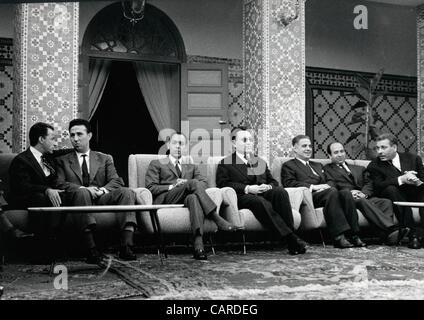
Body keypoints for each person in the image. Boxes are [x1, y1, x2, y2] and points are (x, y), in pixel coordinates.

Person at [55, 119, 138, 263]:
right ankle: (91, 249)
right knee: (82, 193)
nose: (75, 139)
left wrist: (102, 191)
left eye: (79, 134)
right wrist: (83, 189)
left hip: (100, 198)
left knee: (127, 192)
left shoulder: (104, 158)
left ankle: (126, 246)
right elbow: (59, 183)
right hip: (78, 199)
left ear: (90, 135)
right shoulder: (61, 160)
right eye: (72, 135)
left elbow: (116, 180)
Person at [216, 127, 307, 255]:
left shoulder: (259, 161)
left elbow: (273, 182)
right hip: (242, 196)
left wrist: (268, 186)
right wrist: (248, 188)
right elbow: (223, 184)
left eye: (250, 140)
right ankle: (291, 238)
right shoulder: (226, 162)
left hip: (263, 192)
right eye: (244, 140)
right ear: (234, 143)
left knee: (280, 192)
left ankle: (290, 236)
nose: (248, 142)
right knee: (259, 201)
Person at [145, 131, 236, 260]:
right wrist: (173, 186)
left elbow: (204, 183)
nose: (178, 146)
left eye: (181, 143)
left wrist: (186, 184)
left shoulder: (191, 166)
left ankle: (198, 246)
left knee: (193, 197)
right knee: (192, 183)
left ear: (185, 147)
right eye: (175, 143)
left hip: (186, 199)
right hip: (167, 198)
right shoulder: (157, 163)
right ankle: (216, 217)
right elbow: (150, 187)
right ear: (168, 145)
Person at [281, 135, 366, 248]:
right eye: (304, 146)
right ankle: (338, 236)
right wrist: (313, 187)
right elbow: (289, 183)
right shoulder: (289, 165)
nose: (308, 148)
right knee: (332, 192)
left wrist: (327, 186)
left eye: (310, 146)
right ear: (295, 148)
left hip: (328, 194)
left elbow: (330, 180)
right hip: (310, 196)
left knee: (345, 192)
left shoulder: (317, 165)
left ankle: (354, 235)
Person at [323, 142, 408, 245]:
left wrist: (364, 193)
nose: (340, 154)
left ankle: (386, 237)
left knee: (385, 202)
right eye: (336, 152)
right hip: (346, 198)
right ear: (330, 156)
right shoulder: (327, 169)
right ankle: (390, 229)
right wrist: (351, 192)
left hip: (362, 196)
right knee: (361, 200)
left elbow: (369, 182)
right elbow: (331, 185)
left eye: (342, 151)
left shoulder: (358, 168)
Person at [8, 122, 65, 241]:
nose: (56, 143)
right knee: (40, 198)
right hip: (28, 199)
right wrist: (46, 190)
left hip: (47, 198)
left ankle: (59, 243)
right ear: (41, 139)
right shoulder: (21, 160)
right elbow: (22, 187)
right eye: (53, 139)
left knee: (63, 195)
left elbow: (65, 152)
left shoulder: (49, 157)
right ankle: (39, 249)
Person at [367, 133, 424, 249]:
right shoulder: (374, 165)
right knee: (390, 189)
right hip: (394, 195)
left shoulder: (413, 159)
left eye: (383, 147)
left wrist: (417, 181)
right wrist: (401, 179)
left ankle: (420, 234)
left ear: (394, 147)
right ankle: (413, 233)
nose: (379, 152)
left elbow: (423, 179)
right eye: (377, 148)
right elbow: (378, 186)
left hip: (415, 192)